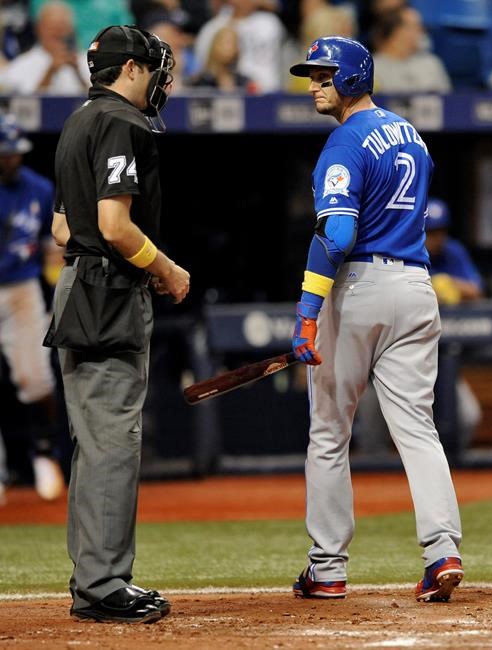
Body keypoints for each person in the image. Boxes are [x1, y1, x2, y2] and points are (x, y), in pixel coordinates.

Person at [289, 36, 463, 603]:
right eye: (312, 75)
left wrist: (307, 311)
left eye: (324, 74)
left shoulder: (345, 140)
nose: (314, 84)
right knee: (416, 427)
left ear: (354, 77)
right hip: (416, 286)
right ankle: (443, 552)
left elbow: (336, 235)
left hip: (360, 287)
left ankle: (327, 567)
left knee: (328, 431)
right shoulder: (409, 131)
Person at [44, 24, 190, 623]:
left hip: (76, 288)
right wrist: (167, 269)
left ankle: (94, 580)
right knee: (112, 446)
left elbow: (61, 231)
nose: (160, 81)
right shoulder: (124, 124)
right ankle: (103, 585)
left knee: (93, 444)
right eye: (154, 69)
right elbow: (114, 225)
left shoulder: (77, 121)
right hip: (108, 296)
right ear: (130, 70)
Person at [354, 197, 484, 455]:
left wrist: (450, 284)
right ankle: (378, 490)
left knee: (468, 416)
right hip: (387, 363)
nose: (436, 239)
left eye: (440, 232)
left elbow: (476, 290)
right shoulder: (397, 249)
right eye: (430, 232)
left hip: (436, 363)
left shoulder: (452, 252)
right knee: (370, 433)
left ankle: (452, 478)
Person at [0, 112, 65, 503]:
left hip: (22, 289)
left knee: (37, 381)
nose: (10, 159)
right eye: (3, 153)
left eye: (14, 152)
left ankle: (43, 451)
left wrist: (57, 293)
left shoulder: (39, 189)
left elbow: (51, 248)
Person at [0, 2, 89, 95]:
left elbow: (100, 103)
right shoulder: (21, 65)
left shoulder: (88, 61)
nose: (58, 33)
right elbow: (23, 105)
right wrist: (50, 72)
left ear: (71, 29)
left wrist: (78, 73)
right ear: (39, 29)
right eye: (52, 28)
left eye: (63, 27)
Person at [371, 6, 452, 94]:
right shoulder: (372, 68)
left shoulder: (432, 63)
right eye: (415, 26)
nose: (421, 32)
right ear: (396, 31)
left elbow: (450, 102)